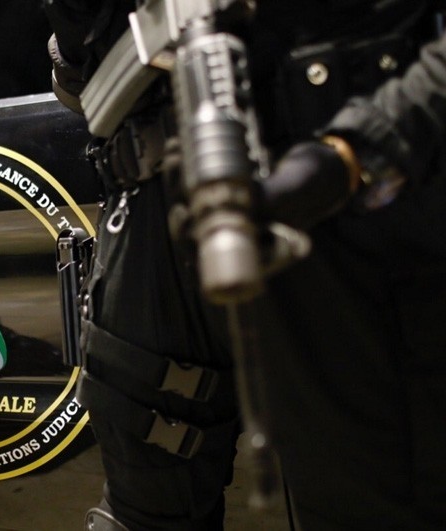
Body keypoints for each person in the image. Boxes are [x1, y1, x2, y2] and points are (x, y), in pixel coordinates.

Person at [46, 0, 446, 529]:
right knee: (138, 514)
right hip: (148, 203)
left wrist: (362, 147)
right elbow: (75, 75)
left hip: (335, 194)